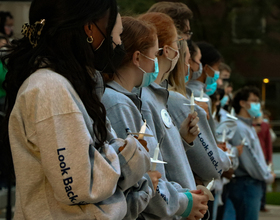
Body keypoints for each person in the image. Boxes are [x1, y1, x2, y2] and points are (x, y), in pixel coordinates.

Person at [0, 0, 151, 219]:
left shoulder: (69, 85)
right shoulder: (50, 89)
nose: (118, 44)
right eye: (116, 35)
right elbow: (81, 185)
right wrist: (131, 155)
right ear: (89, 28)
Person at [102, 16, 205, 219]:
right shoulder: (118, 103)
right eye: (155, 54)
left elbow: (154, 168)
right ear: (137, 58)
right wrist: (182, 202)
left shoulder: (128, 100)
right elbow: (140, 179)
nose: (156, 62)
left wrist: (182, 195)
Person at [138, 12, 209, 220]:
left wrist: (182, 140)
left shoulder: (159, 95)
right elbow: (149, 171)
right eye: (178, 45)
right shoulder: (144, 98)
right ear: (167, 51)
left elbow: (160, 156)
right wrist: (183, 203)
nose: (180, 53)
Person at [167, 38, 231, 184]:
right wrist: (224, 158)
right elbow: (211, 167)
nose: (196, 67)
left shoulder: (184, 97)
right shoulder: (182, 100)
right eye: (194, 60)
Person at [226, 86, 275, 220]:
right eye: (254, 101)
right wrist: (267, 176)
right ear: (242, 103)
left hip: (249, 183)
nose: (257, 105)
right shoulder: (239, 128)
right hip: (247, 184)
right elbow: (250, 160)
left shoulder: (248, 126)